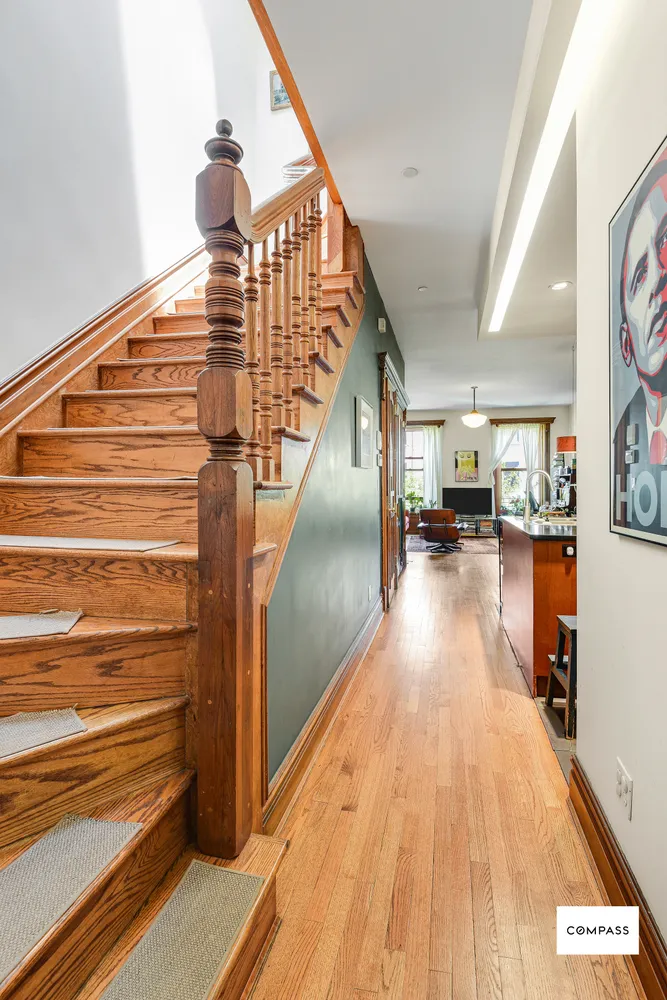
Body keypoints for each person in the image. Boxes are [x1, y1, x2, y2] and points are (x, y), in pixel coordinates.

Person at [613, 150, 667, 537]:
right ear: (625, 342)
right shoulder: (617, 436)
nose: (659, 278)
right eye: (641, 273)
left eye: (664, 243)